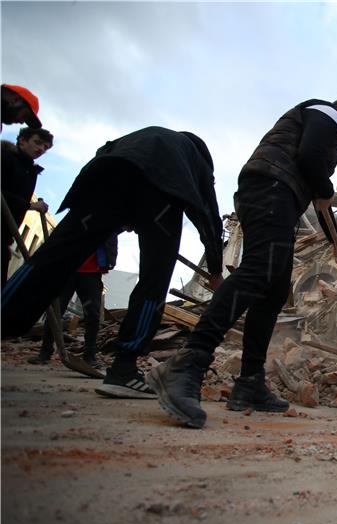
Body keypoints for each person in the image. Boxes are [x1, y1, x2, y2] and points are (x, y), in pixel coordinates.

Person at [147, 96, 337, 428]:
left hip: (279, 195)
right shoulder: (326, 113)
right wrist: (325, 185)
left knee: (274, 291)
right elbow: (311, 160)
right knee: (258, 272)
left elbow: (321, 204)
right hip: (271, 188)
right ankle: (187, 364)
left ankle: (249, 382)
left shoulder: (320, 135)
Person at [2, 126, 223, 399]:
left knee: (50, 258)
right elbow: (209, 214)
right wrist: (215, 269)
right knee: (154, 280)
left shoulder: (140, 137)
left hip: (105, 178)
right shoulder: (194, 157)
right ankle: (124, 369)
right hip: (161, 197)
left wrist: (117, 212)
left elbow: (103, 153)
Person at [27, 235, 118, 369]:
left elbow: (114, 234)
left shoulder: (105, 219)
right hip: (66, 270)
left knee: (92, 315)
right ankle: (45, 353)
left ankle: (89, 356)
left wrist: (110, 259)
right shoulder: (78, 219)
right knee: (55, 311)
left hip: (91, 273)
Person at [1, 127, 53, 284]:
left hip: (5, 236)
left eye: (45, 147)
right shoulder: (5, 158)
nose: (41, 149)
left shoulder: (30, 171)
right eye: (37, 143)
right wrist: (31, 206)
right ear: (22, 141)